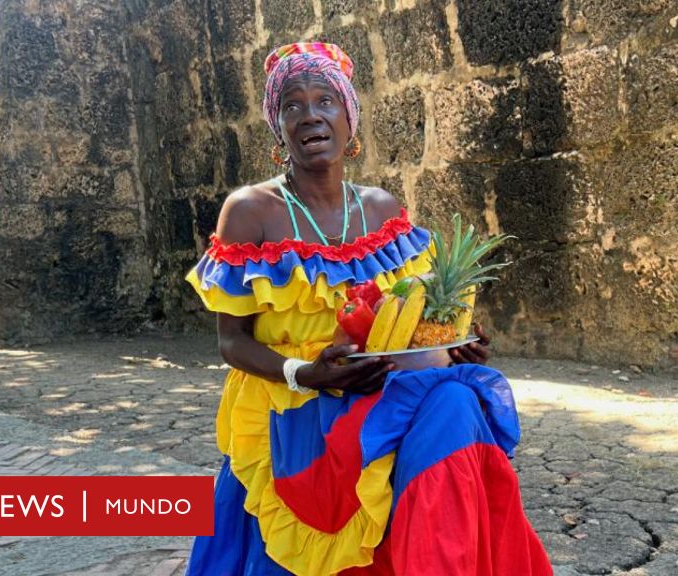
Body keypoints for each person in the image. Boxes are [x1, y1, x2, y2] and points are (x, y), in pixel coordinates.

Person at [185, 42, 551, 576]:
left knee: (456, 399)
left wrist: (451, 343)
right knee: (449, 404)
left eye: (325, 100)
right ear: (277, 126)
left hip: (382, 391)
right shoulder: (250, 212)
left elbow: (412, 315)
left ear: (349, 117)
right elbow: (231, 342)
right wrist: (306, 373)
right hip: (295, 404)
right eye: (291, 104)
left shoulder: (381, 209)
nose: (310, 114)